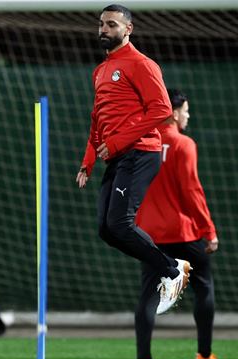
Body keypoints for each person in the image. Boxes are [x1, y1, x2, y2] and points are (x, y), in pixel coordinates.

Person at [75, 4, 190, 315]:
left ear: (128, 29)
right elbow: (97, 121)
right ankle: (170, 267)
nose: (104, 29)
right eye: (101, 24)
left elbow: (162, 109)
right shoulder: (100, 70)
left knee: (120, 223)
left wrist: (116, 142)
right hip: (117, 156)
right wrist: (88, 161)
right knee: (106, 229)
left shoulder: (142, 64)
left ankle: (172, 271)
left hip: (141, 152)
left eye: (112, 24)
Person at [134, 89, 225, 359]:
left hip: (149, 235)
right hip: (183, 234)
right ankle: (204, 356)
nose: (188, 115)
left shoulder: (141, 142)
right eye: (185, 110)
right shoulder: (183, 144)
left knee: (149, 295)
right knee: (204, 288)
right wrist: (209, 230)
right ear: (173, 113)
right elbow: (191, 191)